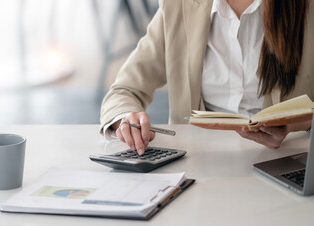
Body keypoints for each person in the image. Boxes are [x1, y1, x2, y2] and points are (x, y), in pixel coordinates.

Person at [100, 0, 313, 155]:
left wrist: (293, 126)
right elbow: (125, 89)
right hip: (197, 163)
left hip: (288, 159)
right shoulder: (179, 6)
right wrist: (125, 119)